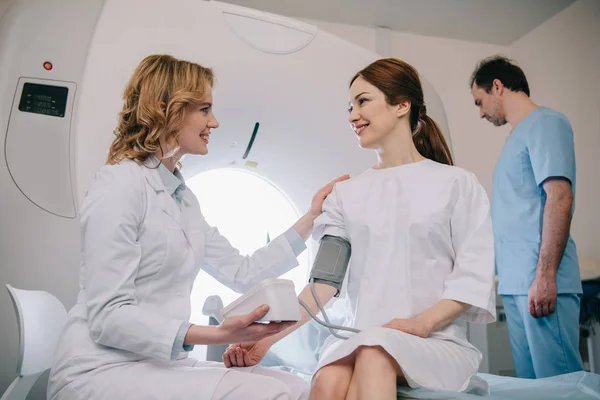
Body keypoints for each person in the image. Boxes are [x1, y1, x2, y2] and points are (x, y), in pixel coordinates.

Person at [46, 54, 348, 400]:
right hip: (100, 370)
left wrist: (310, 218)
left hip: (155, 363)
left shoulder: (184, 199)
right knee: (268, 395)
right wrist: (216, 335)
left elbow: (242, 270)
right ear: (168, 109)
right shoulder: (119, 185)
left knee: (295, 385)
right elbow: (108, 318)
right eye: (204, 109)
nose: (215, 122)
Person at [224, 58, 496, 399]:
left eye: (363, 101)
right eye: (350, 106)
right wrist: (265, 339)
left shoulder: (457, 185)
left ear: (402, 105)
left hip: (434, 341)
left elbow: (472, 277)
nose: (352, 115)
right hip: (360, 335)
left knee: (374, 354)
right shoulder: (345, 195)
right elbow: (323, 286)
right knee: (329, 377)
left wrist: (420, 324)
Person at [470, 55, 584, 379]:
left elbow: (559, 197)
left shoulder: (547, 123)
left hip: (542, 281)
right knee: (531, 387)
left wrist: (546, 276)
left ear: (497, 86)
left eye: (480, 101)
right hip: (516, 283)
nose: (480, 112)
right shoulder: (514, 140)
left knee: (559, 384)